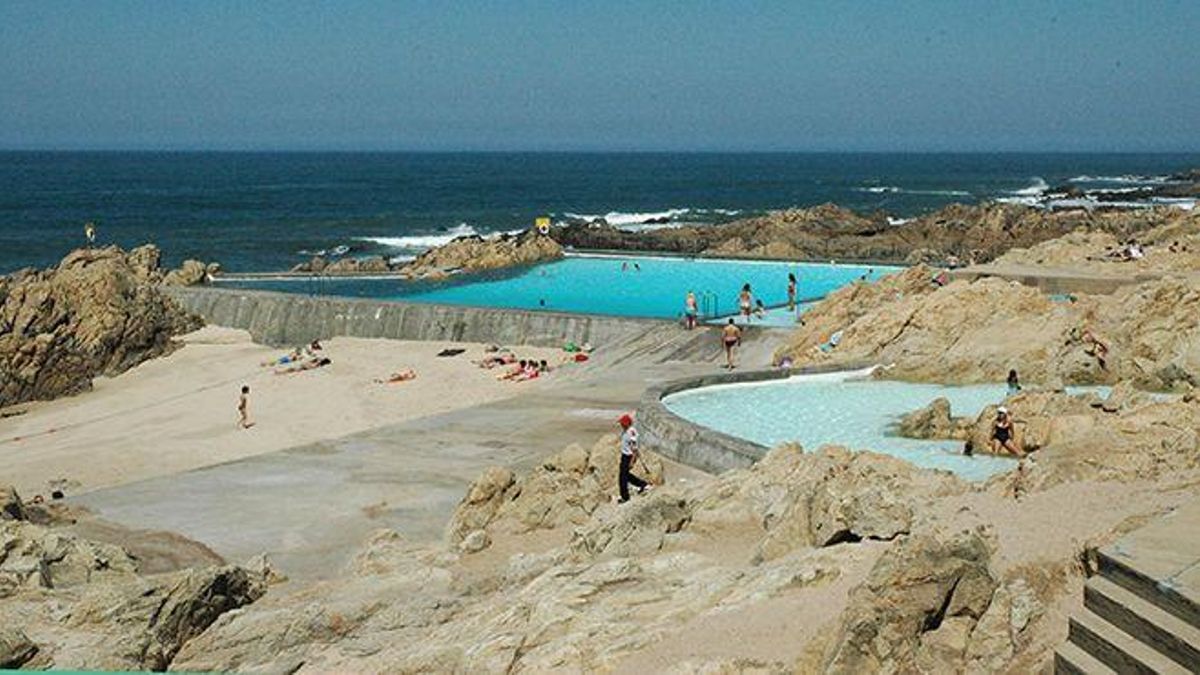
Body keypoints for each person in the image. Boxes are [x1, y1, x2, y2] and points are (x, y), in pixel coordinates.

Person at [617, 414, 649, 503]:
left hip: (628, 456)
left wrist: (632, 461)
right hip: (624, 455)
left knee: (622, 478)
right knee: (625, 475)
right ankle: (642, 484)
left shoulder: (631, 434)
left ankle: (625, 497)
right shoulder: (626, 431)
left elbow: (634, 449)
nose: (621, 425)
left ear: (626, 424)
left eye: (622, 423)